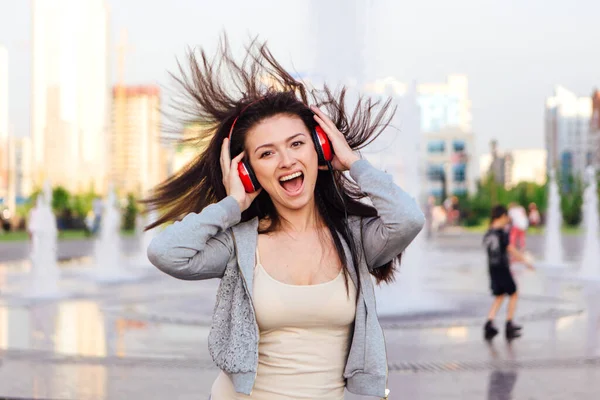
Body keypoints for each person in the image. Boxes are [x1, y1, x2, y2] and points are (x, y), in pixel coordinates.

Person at [144, 38, 425, 399]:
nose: (287, 161)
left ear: (320, 150)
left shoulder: (355, 240)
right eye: (266, 153)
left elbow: (408, 219)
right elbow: (165, 252)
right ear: (248, 171)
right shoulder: (241, 245)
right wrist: (232, 204)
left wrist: (354, 163)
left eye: (297, 144)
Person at [482, 205, 534, 341]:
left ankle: (489, 322)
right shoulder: (501, 233)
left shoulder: (488, 233)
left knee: (499, 295)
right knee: (514, 292)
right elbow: (510, 249)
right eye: (506, 217)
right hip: (502, 268)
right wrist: (525, 260)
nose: (507, 220)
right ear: (502, 217)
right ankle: (509, 324)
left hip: (492, 268)